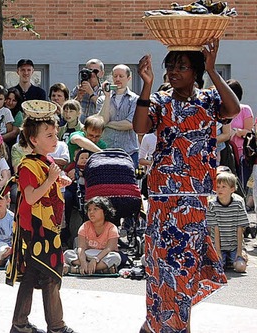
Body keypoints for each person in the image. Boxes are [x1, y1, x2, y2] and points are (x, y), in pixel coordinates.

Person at [133, 39, 240, 332]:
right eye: (171, 66)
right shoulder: (160, 101)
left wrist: (213, 70)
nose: (174, 71)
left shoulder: (208, 100)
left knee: (184, 270)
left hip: (193, 199)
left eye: (182, 66)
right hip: (163, 198)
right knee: (161, 269)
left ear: (196, 72)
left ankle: (164, 326)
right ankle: (159, 324)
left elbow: (232, 109)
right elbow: (140, 127)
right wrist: (147, 84)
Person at [7, 113, 75, 333]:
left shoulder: (48, 161)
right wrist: (50, 180)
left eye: (55, 134)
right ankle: (56, 326)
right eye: (49, 135)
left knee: (33, 276)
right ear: (34, 140)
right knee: (51, 275)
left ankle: (20, 324)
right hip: (35, 229)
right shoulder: (27, 165)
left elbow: (50, 185)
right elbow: (30, 197)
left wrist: (59, 180)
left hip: (48, 227)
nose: (55, 139)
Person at [63, 196, 121, 275]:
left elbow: (109, 249)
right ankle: (98, 270)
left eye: (95, 209)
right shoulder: (84, 226)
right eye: (89, 210)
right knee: (67, 254)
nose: (91, 212)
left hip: (102, 257)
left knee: (116, 257)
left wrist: (95, 259)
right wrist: (83, 262)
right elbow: (81, 248)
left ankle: (77, 270)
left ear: (105, 212)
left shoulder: (111, 228)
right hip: (86, 256)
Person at [97, 64, 140, 166]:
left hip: (128, 152)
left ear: (129, 78)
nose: (117, 79)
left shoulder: (135, 100)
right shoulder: (101, 99)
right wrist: (107, 97)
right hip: (106, 151)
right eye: (115, 76)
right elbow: (101, 121)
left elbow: (130, 124)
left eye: (121, 76)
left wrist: (107, 123)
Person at [207, 172, 248, 273]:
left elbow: (240, 228)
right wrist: (218, 252)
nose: (219, 189)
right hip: (219, 244)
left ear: (232, 189)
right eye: (218, 186)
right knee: (217, 268)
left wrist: (239, 251)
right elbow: (214, 229)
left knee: (240, 267)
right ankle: (224, 259)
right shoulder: (212, 204)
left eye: (223, 187)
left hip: (234, 244)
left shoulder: (238, 203)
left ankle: (237, 257)